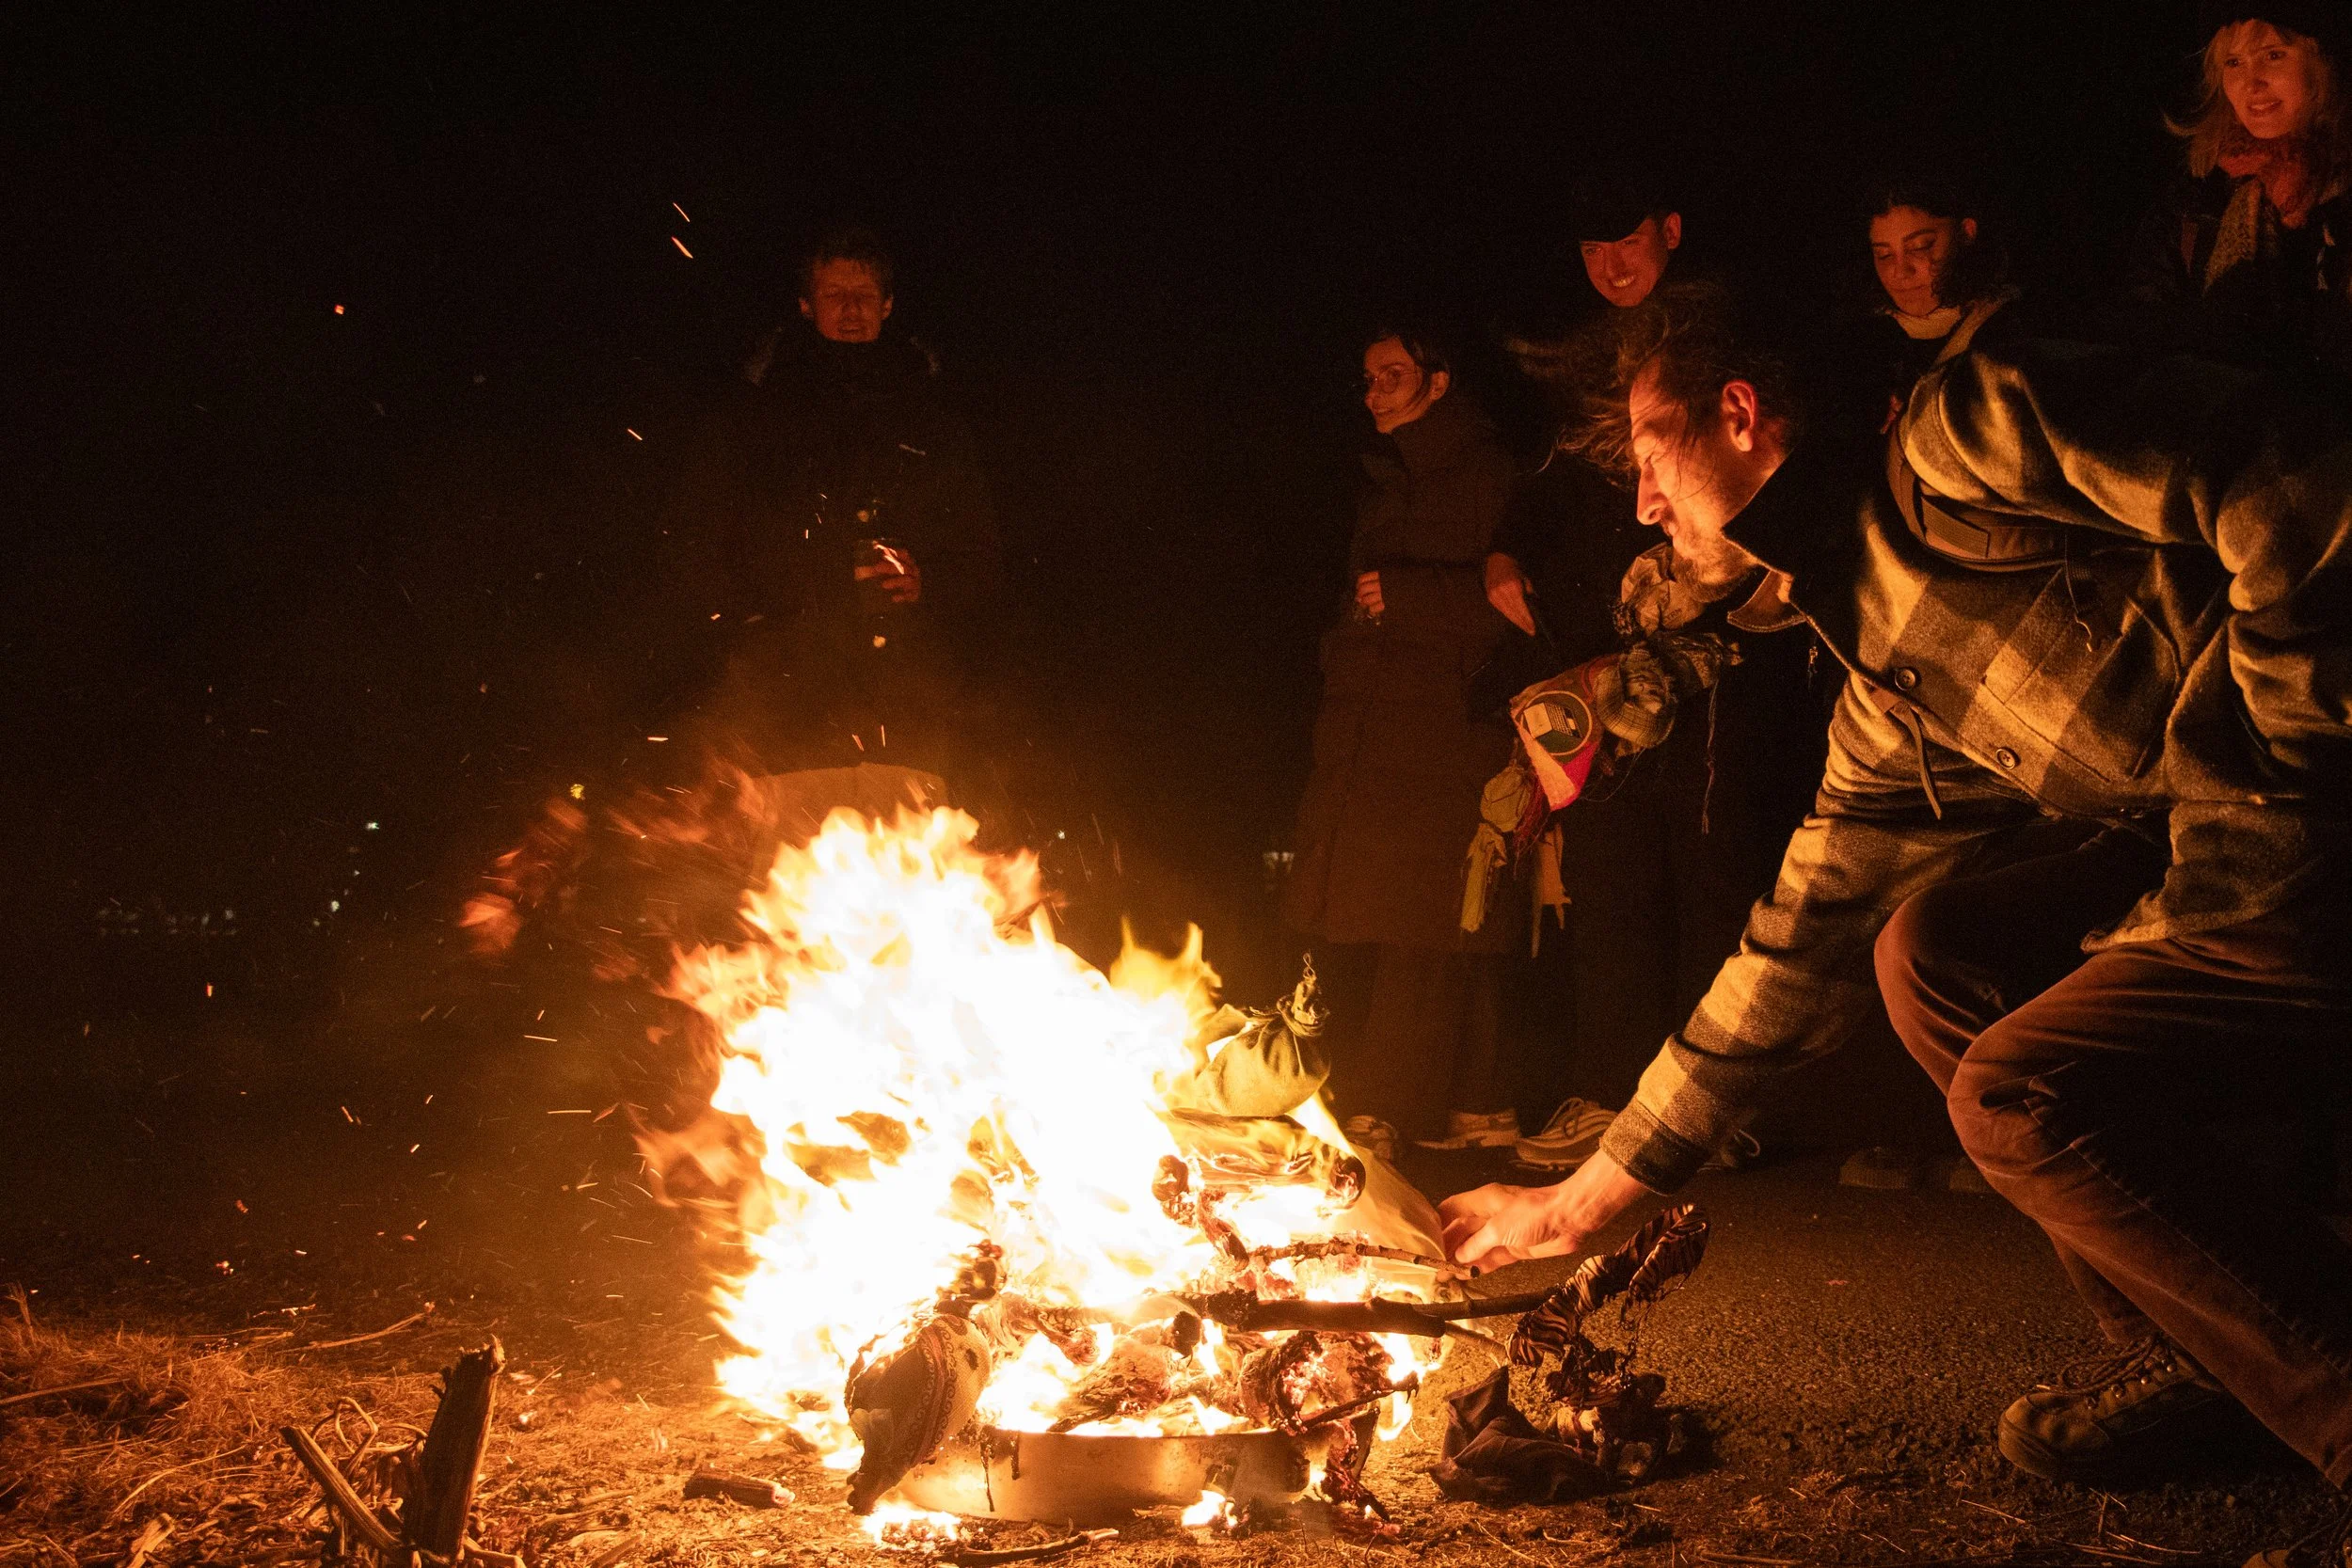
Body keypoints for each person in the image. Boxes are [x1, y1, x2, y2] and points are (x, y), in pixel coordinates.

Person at [1440, 282, 2352, 1539]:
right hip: (2221, 844)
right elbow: (1791, 945)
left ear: (1741, 414)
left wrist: (2286, 757)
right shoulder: (1883, 679)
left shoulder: (1970, 430)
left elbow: (2296, 476)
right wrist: (1573, 1203)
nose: (1643, 503)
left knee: (2017, 1089)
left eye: (1652, 454)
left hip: (2310, 824)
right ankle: (2202, 1351)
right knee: (1927, 950)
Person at [1484, 177, 1820, 1172]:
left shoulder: (1719, 342)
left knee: (1716, 867)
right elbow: (1548, 481)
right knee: (1611, 870)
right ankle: (1615, 1092)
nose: (1610, 265)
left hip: (1718, 647)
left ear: (1670, 229)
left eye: (1624, 241)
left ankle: (1712, 1105)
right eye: (1591, 250)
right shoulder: (1588, 362)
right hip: (1606, 651)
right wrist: (1505, 548)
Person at [1283, 329, 1518, 1157]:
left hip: (1447, 727)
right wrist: (1343, 643)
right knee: (1414, 919)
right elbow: (1360, 594)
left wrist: (1410, 597)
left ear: (1439, 380)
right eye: (1369, 378)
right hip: (1377, 721)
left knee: (1431, 918)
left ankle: (1388, 1106)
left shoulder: (1488, 470)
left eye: (1394, 375)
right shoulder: (1387, 478)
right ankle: (1474, 1098)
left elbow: (1516, 599)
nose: (1375, 392)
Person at [657, 226, 1004, 776]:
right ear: (805, 305)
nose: (850, 310)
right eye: (834, 294)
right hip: (791, 701)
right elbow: (694, 539)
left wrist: (928, 580)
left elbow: (980, 551)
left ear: (887, 305)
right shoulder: (754, 413)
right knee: (799, 828)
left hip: (909, 698)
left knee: (911, 829)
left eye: (864, 294)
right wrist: (762, 624)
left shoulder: (931, 418)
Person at [2123, 4, 2352, 382]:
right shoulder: (2193, 202)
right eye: (2233, 63)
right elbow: (2145, 332)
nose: (2251, 82)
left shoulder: (2341, 196)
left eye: (2273, 56)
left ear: (2321, 66)